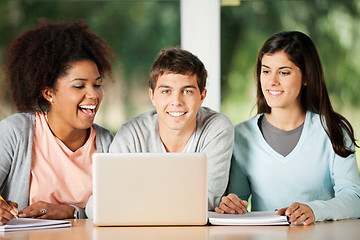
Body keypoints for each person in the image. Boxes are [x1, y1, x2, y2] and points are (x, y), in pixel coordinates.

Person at [215, 31, 360, 225]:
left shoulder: (333, 129)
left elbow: (354, 200)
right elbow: (237, 201)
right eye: (266, 71)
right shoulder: (241, 135)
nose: (272, 81)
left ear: (306, 77)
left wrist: (314, 210)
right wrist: (230, 205)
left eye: (284, 72)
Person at [85, 48, 233, 218]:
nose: (176, 101)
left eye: (187, 91)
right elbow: (97, 206)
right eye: (166, 91)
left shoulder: (217, 128)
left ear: (202, 96)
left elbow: (208, 200)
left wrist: (134, 199)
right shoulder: (132, 133)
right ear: (152, 96)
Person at [0, 19, 114, 225]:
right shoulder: (16, 132)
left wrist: (72, 212)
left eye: (97, 84)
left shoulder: (108, 143)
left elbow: (117, 208)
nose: (94, 95)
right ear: (49, 93)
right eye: (79, 86)